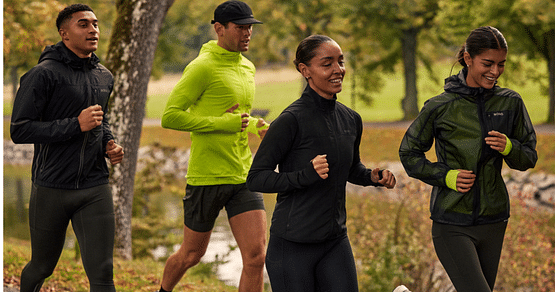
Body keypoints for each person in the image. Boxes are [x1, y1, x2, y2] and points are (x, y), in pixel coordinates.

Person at [247, 35, 397, 292]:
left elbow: (351, 169)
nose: (338, 70)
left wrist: (372, 177)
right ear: (305, 70)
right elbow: (256, 178)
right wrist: (304, 175)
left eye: (340, 62)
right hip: (292, 247)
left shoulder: (351, 119)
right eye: (327, 63)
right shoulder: (290, 120)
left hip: (335, 241)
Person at [399, 26, 537, 292]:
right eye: (488, 63)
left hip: (494, 220)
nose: (495, 71)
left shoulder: (510, 103)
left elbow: (528, 157)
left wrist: (509, 147)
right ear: (468, 58)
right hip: (451, 221)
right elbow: (408, 153)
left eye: (501, 64)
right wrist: (445, 176)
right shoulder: (440, 106)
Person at [10, 4, 124, 292]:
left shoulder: (103, 76)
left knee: (103, 273)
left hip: (94, 186)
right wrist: (76, 124)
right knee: (41, 267)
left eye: (95, 24)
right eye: (83, 24)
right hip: (52, 188)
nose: (93, 29)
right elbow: (20, 129)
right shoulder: (42, 75)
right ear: (64, 34)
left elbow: (100, 119)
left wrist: (109, 143)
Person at [157, 1, 268, 292]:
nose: (247, 33)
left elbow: (238, 115)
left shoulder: (247, 67)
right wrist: (224, 123)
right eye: (240, 27)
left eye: (249, 28)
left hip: (243, 173)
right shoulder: (201, 67)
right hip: (207, 175)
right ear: (219, 28)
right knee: (191, 255)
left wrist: (257, 125)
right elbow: (171, 116)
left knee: (256, 257)